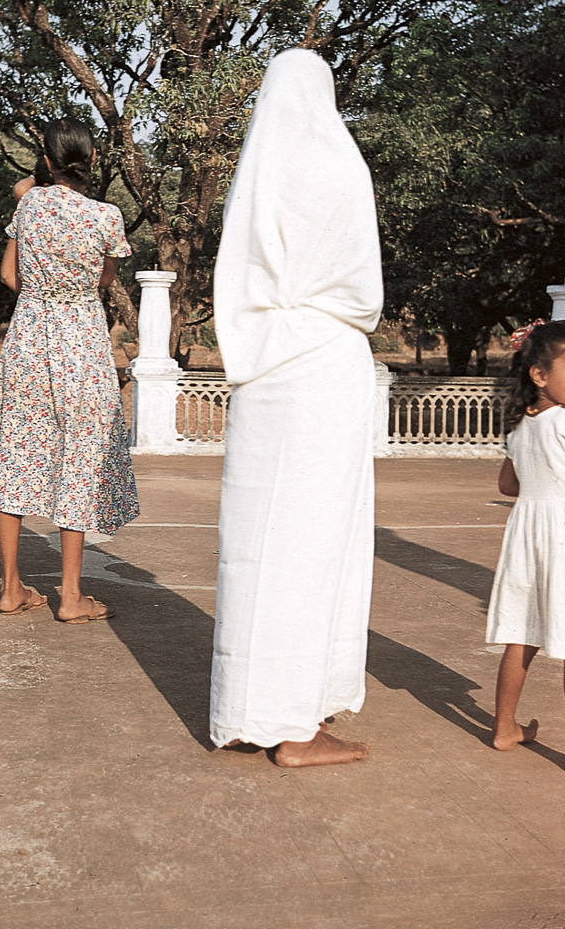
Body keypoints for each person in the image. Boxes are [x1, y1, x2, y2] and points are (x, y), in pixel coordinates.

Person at [209, 48, 383, 767]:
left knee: (260, 545)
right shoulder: (340, 166)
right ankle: (299, 728)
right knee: (315, 544)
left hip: (264, 368)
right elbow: (361, 289)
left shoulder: (256, 176)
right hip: (325, 365)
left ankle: (255, 709)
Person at [0, 116, 139, 623]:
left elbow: (9, 275)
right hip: (82, 344)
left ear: (46, 160)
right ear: (92, 160)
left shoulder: (30, 205)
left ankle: (11, 589)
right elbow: (104, 279)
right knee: (80, 458)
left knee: (16, 453)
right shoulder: (107, 216)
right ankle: (71, 597)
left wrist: (34, 185)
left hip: (29, 341)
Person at [486, 319, 565, 750]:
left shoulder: (519, 426)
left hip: (527, 532)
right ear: (539, 374)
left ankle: (505, 729)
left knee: (522, 633)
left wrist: (542, 487)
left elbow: (507, 485)